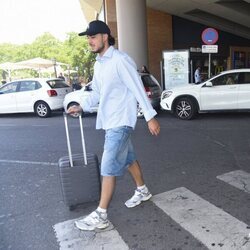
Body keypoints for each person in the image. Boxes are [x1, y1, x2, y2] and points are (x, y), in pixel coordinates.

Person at [67, 20, 160, 231]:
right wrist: (81, 105)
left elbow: (137, 88)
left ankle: (101, 215)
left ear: (105, 37)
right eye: (88, 38)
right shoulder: (99, 64)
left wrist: (149, 116)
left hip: (121, 121)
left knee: (108, 167)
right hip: (110, 121)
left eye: (92, 37)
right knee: (128, 159)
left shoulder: (120, 60)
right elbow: (98, 94)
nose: (89, 41)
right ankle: (142, 190)